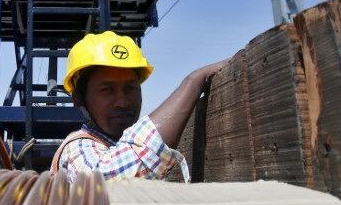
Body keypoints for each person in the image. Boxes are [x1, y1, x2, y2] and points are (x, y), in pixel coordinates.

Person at [50, 31, 227, 182]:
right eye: (107, 90)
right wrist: (193, 81)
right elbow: (105, 180)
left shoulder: (116, 143)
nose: (123, 102)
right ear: (79, 99)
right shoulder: (76, 148)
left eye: (130, 88)